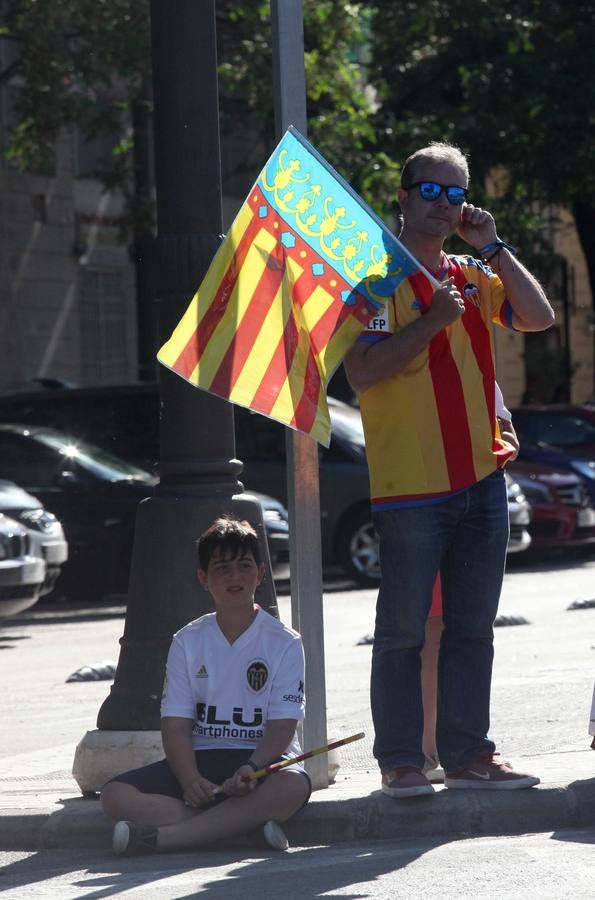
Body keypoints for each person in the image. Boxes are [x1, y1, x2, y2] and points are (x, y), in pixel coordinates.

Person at [344, 141, 555, 798]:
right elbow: (361, 372)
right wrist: (434, 318)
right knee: (403, 631)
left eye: (454, 193)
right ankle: (401, 762)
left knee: (472, 627)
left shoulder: (471, 271)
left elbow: (537, 317)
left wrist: (492, 246)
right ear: (403, 197)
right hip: (410, 486)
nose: (442, 205)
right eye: (428, 191)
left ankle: (468, 755)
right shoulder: (375, 278)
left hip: (480, 478)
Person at [101, 516, 311, 855]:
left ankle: (166, 839)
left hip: (258, 763)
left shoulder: (285, 642)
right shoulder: (187, 640)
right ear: (204, 579)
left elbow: (283, 727)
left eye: (244, 566)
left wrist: (251, 769)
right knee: (115, 795)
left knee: (292, 785)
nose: (235, 577)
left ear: (260, 574)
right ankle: (243, 831)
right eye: (223, 568)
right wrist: (189, 780)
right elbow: (175, 724)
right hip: (202, 758)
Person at [421, 391, 520, 782]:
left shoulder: (474, 354)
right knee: (427, 631)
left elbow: (504, 421)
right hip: (423, 494)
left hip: (474, 496)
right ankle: (423, 751)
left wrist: (506, 443)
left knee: (463, 630)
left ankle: (451, 752)